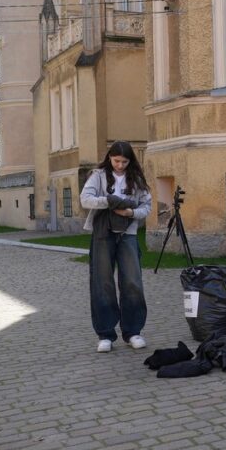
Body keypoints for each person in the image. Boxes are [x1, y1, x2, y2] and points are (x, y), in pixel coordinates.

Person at [80, 141, 152, 353]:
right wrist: (111, 201)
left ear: (130, 161)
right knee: (102, 283)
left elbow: (146, 206)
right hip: (103, 234)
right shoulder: (98, 175)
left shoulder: (136, 179)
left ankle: (133, 331)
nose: (120, 165)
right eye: (116, 160)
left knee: (132, 282)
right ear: (109, 157)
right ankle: (105, 334)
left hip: (127, 234)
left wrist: (131, 213)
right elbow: (86, 199)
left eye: (124, 161)